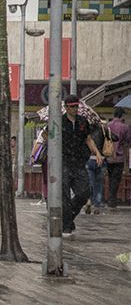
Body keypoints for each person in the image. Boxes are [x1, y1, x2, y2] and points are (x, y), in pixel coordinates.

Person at [61, 95, 103, 235]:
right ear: (66, 107)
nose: (74, 109)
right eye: (72, 106)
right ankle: (66, 225)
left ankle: (68, 218)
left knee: (84, 193)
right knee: (64, 195)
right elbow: (47, 135)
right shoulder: (59, 121)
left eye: (76, 106)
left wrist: (97, 152)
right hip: (64, 162)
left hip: (79, 162)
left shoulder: (83, 121)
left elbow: (88, 139)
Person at [106, 108, 129, 208]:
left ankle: (111, 199)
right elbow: (127, 140)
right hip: (119, 157)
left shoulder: (108, 125)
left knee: (111, 177)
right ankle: (112, 199)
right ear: (122, 115)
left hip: (109, 156)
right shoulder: (125, 127)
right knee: (116, 179)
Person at [85, 123, 109, 214]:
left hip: (89, 159)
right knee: (98, 184)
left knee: (90, 183)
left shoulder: (87, 130)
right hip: (101, 159)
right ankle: (97, 206)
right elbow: (115, 138)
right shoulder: (104, 130)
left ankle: (88, 200)